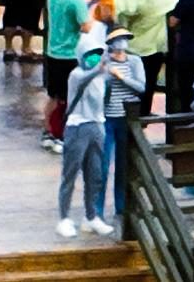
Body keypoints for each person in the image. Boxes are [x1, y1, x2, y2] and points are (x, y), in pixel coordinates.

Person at [62, 26, 145, 236]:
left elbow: (141, 87)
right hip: (105, 119)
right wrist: (103, 71)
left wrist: (121, 77)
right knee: (101, 166)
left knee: (125, 166)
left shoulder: (135, 61)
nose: (122, 42)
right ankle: (95, 212)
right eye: (118, 39)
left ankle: (122, 207)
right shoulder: (101, 63)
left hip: (126, 119)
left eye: (125, 38)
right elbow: (93, 84)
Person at [44, 0, 93, 139]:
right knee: (69, 96)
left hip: (52, 51)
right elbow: (85, 27)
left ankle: (48, 128)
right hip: (69, 54)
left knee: (53, 96)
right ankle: (63, 131)